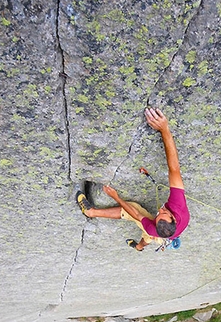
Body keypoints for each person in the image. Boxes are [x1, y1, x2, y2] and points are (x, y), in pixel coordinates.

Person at [76, 107, 190, 251]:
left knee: (136, 213)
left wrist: (116, 197)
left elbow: (135, 213)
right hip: (165, 234)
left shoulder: (153, 228)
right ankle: (139, 247)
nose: (160, 210)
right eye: (163, 212)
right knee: (148, 237)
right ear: (172, 218)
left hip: (158, 234)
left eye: (159, 214)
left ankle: (91, 212)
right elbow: (174, 168)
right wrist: (164, 129)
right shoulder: (177, 205)